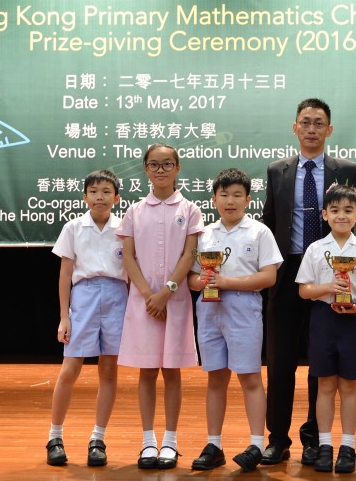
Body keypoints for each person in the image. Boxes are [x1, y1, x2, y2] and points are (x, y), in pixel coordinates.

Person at [260, 97, 356, 466]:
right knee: (279, 361)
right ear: (295, 127)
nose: (311, 129)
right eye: (305, 122)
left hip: (331, 274)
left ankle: (315, 440)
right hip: (288, 275)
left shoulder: (346, 170)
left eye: (318, 123)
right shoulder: (277, 171)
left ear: (329, 129)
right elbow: (268, 221)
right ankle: (277, 439)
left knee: (320, 364)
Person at [187, 168, 283, 473]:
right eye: (224, 195)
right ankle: (214, 445)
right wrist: (202, 282)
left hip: (243, 307)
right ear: (214, 199)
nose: (230, 201)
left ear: (248, 200)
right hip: (209, 309)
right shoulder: (203, 234)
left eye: (237, 195)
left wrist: (226, 282)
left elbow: (269, 277)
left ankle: (256, 444)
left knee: (250, 377)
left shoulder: (259, 232)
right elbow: (191, 278)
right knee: (215, 378)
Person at [115, 143, 204, 470]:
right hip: (143, 304)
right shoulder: (135, 211)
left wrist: (166, 291)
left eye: (167, 164)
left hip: (175, 301)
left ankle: (170, 441)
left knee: (172, 371)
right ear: (146, 169)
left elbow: (190, 254)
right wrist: (148, 295)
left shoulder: (190, 210)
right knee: (147, 371)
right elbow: (128, 257)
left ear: (177, 168)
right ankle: (148, 441)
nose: (161, 170)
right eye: (154, 164)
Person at [295, 184, 356, 474]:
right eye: (334, 210)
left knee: (348, 386)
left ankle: (348, 446)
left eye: (348, 210)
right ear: (325, 215)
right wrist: (328, 287)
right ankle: (325, 445)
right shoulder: (315, 249)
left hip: (354, 321)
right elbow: (304, 291)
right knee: (324, 385)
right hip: (323, 319)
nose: (341, 216)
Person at [46, 169, 127, 467]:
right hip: (84, 296)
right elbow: (65, 274)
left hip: (118, 298)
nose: (99, 197)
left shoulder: (125, 228)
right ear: (84, 197)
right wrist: (63, 317)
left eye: (106, 191)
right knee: (70, 368)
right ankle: (55, 437)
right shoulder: (73, 227)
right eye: (93, 191)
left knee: (109, 371)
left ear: (116, 198)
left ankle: (98, 439)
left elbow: (132, 271)